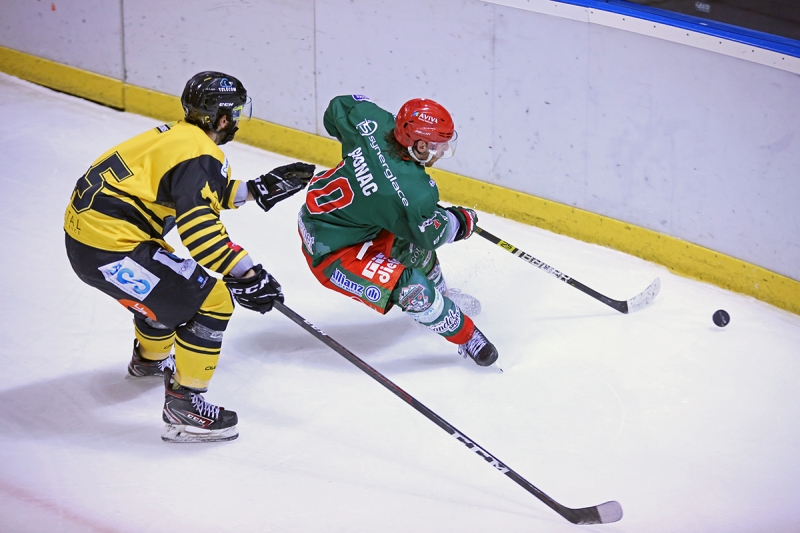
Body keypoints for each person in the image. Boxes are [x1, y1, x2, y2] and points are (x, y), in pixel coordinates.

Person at [64, 71, 315, 443]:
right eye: (236, 112)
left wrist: (256, 190)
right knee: (212, 300)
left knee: (170, 288)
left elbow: (191, 191)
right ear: (223, 118)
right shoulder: (200, 154)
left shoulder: (179, 136)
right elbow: (200, 235)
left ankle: (149, 361)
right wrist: (247, 274)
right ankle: (185, 407)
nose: (238, 120)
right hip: (110, 250)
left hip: (95, 239)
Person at [297, 94, 498, 367]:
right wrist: (460, 222)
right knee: (413, 289)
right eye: (438, 145)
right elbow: (432, 234)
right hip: (332, 252)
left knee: (410, 243)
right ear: (420, 144)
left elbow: (336, 109)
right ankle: (466, 336)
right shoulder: (413, 193)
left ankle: (444, 297)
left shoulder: (371, 119)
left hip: (344, 220)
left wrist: (362, 161)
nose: (442, 151)